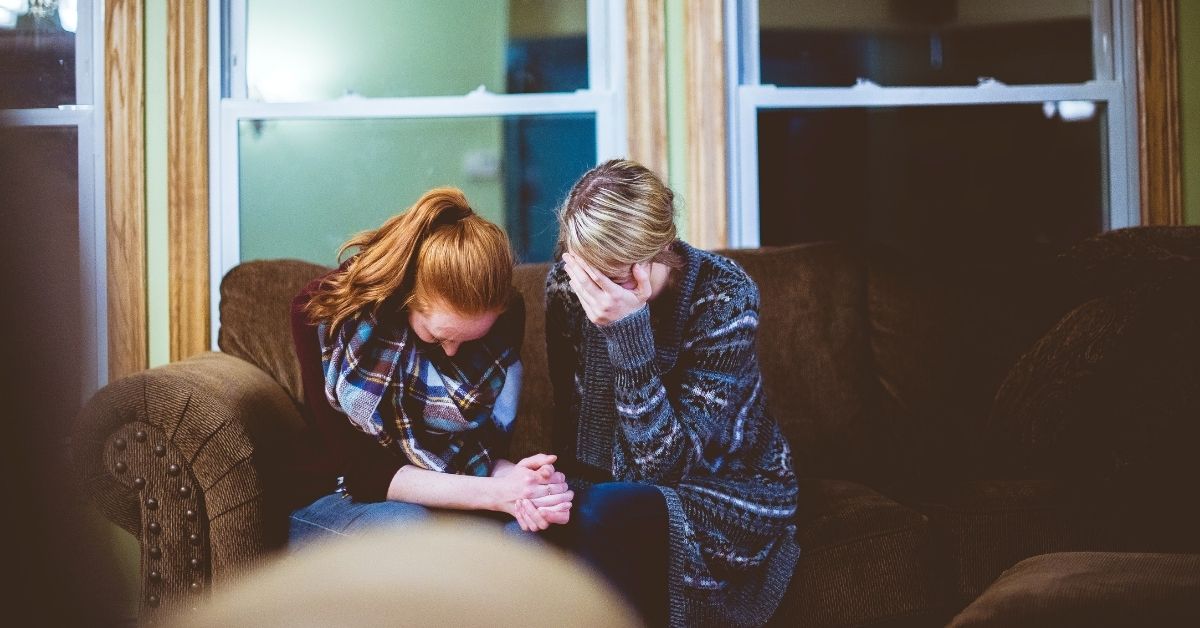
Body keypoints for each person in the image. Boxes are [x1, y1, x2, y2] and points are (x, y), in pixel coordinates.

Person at [544, 160, 800, 627]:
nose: (592, 291)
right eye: (585, 270)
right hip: (614, 486)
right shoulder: (567, 285)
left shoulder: (724, 296)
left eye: (612, 275)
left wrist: (628, 333)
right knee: (549, 522)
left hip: (726, 485)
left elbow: (665, 469)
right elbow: (575, 421)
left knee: (605, 514)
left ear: (658, 251)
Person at [289, 187, 572, 547]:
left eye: (468, 340)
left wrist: (523, 482)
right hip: (339, 495)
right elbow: (363, 473)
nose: (453, 353)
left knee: (531, 537)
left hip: (450, 492)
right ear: (406, 297)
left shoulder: (505, 317)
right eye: (438, 337)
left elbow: (481, 453)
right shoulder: (322, 314)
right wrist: (496, 494)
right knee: (410, 528)